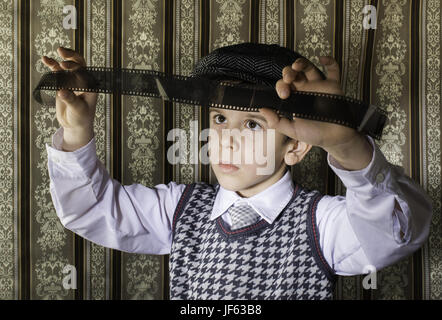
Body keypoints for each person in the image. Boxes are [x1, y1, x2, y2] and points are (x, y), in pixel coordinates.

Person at [42, 43, 433, 300]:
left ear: (294, 145)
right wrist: (77, 130)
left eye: (252, 125)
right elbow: (92, 210)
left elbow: (397, 232)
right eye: (220, 117)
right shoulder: (181, 209)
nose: (225, 139)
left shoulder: (322, 224)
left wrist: (347, 146)